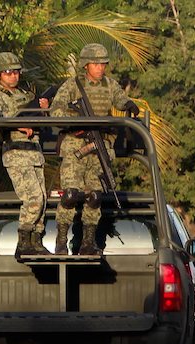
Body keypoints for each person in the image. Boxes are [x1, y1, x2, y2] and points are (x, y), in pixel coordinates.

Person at [50, 43, 140, 255]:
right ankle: (62, 240)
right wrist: (77, 122)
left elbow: (120, 99)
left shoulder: (110, 84)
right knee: (71, 195)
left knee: (95, 196)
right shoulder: (73, 85)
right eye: (96, 64)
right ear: (86, 65)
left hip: (98, 146)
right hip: (75, 145)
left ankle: (88, 243)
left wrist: (128, 105)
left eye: (103, 64)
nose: (101, 68)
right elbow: (56, 110)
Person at [0, 52, 51, 259]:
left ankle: (36, 241)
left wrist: (43, 109)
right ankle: (23, 242)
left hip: (34, 152)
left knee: (43, 199)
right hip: (15, 152)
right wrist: (19, 124)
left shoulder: (26, 95)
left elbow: (41, 119)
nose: (14, 76)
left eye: (17, 72)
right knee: (33, 198)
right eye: (9, 73)